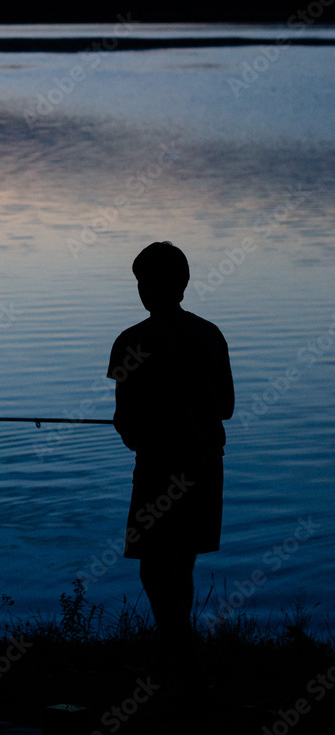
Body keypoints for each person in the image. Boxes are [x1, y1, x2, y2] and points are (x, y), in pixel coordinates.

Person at [107, 241, 235, 683]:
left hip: (160, 471)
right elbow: (226, 407)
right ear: (183, 284)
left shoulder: (132, 341)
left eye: (141, 281)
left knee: (153, 571)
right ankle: (168, 664)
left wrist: (140, 429)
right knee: (180, 566)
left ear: (146, 287)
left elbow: (127, 423)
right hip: (206, 465)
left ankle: (190, 667)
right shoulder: (210, 334)